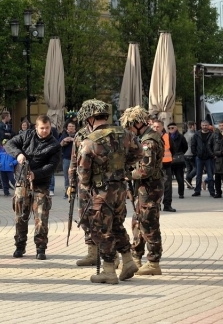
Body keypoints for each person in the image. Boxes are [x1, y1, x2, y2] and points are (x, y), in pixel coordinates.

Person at [73, 99, 140, 284]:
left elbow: (83, 171)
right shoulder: (125, 133)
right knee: (117, 225)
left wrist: (86, 185)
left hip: (101, 192)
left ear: (90, 119)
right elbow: (139, 153)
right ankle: (128, 261)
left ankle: (109, 270)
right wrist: (124, 170)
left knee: (101, 230)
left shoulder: (90, 141)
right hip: (120, 188)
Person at [4, 115, 61, 260]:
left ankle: (40, 248)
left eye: (47, 128)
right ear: (36, 127)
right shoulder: (26, 135)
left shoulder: (54, 145)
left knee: (41, 218)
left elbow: (52, 166)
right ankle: (19, 246)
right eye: (42, 128)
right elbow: (9, 144)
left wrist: (36, 174)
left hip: (41, 184)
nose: (45, 131)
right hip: (22, 182)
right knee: (20, 217)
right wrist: (18, 155)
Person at [120, 107, 164, 277]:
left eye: (131, 125)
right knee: (138, 221)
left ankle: (153, 262)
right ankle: (136, 257)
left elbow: (146, 169)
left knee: (149, 222)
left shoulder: (149, 141)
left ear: (138, 123)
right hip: (142, 188)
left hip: (150, 187)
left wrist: (128, 175)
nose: (129, 129)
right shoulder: (143, 138)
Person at [188, 120, 215, 197]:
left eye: (206, 125)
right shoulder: (196, 134)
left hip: (209, 157)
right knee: (198, 175)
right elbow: (193, 145)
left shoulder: (211, 134)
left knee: (210, 175)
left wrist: (212, 154)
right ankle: (197, 191)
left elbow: (214, 145)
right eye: (203, 125)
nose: (204, 127)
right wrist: (196, 153)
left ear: (209, 125)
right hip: (199, 157)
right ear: (201, 126)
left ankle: (212, 191)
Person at [164, 122, 188, 203]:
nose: (171, 129)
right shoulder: (166, 136)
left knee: (180, 178)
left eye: (172, 128)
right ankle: (168, 194)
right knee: (168, 180)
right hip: (169, 161)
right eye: (169, 128)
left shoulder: (181, 137)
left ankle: (181, 193)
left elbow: (185, 147)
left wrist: (180, 154)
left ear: (176, 128)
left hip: (178, 161)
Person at [59, 121, 77, 198]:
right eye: (69, 126)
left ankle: (75, 192)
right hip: (66, 158)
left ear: (75, 128)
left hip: (76, 159)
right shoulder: (64, 134)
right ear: (67, 127)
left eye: (72, 126)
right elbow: (59, 145)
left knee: (76, 176)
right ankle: (67, 192)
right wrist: (64, 140)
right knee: (67, 177)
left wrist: (73, 140)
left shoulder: (78, 135)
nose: (71, 128)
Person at [212, 121, 223, 199]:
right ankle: (218, 192)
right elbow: (211, 146)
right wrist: (215, 154)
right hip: (219, 160)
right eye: (220, 125)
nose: (221, 127)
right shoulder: (215, 135)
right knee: (218, 178)